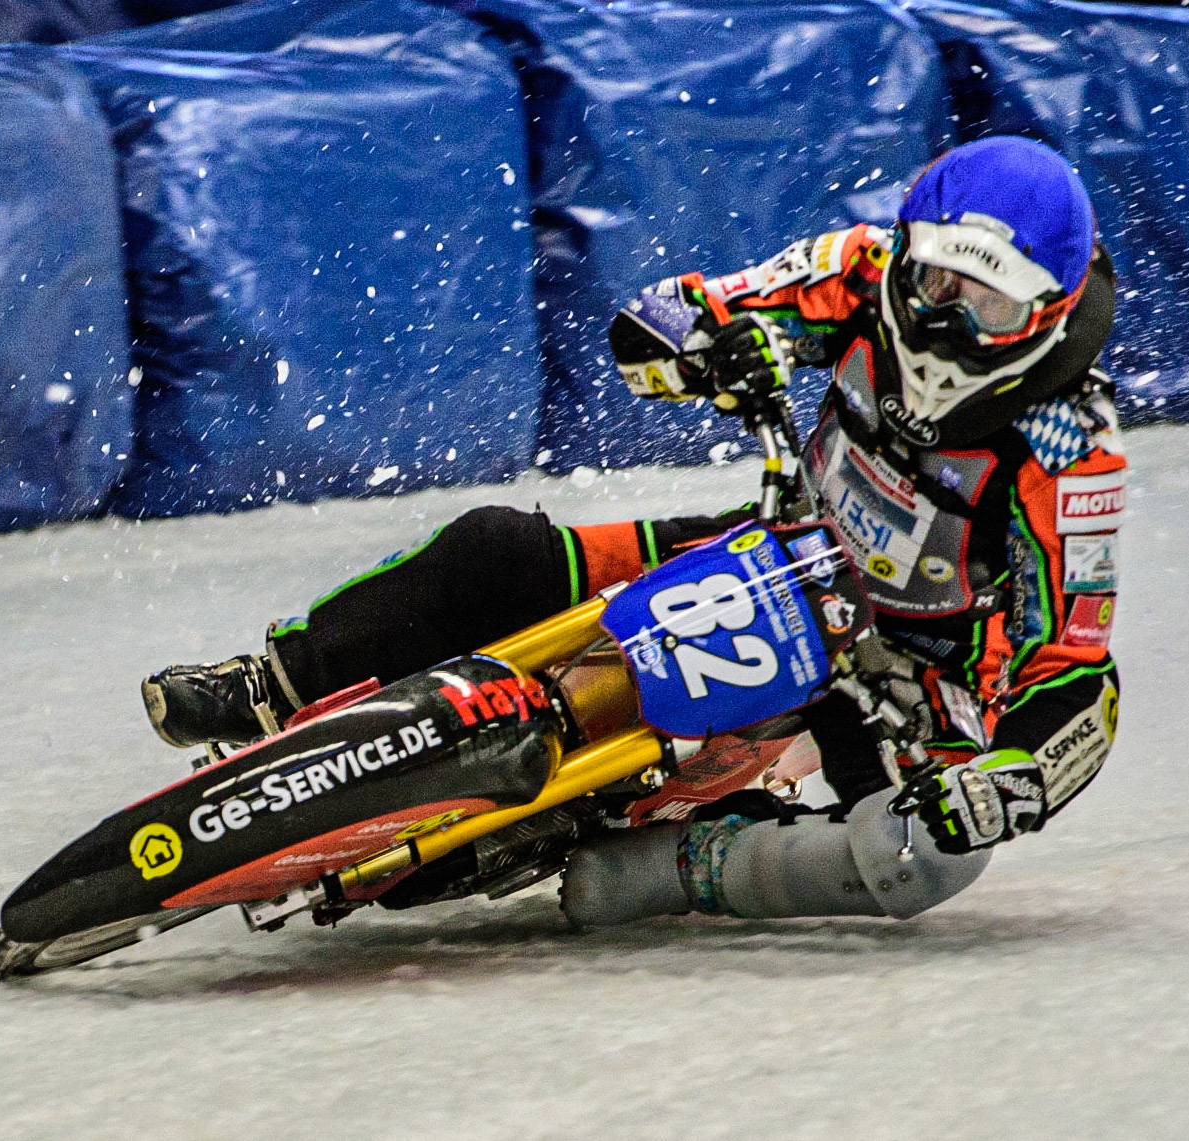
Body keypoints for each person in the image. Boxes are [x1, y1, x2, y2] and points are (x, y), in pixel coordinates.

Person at [140, 135, 1126, 926]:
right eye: (937, 285)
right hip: (780, 542)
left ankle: (683, 866)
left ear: (1050, 308)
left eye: (983, 301)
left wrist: (1011, 777)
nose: (945, 321)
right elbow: (699, 308)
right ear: (906, 252)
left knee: (920, 858)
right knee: (497, 548)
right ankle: (272, 682)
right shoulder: (862, 268)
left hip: (908, 675)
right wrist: (692, 340)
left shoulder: (1070, 451)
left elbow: (1075, 672)